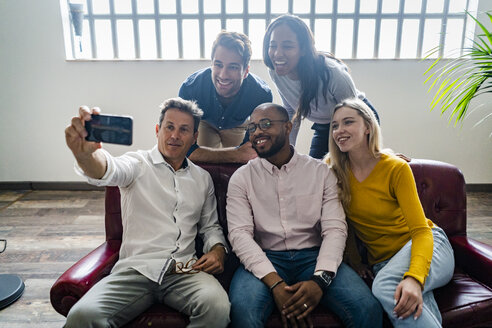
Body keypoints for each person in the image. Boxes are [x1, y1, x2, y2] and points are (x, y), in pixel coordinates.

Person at [63, 98, 230, 328]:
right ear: (157, 130)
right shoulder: (136, 163)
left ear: (194, 137)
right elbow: (108, 169)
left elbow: (211, 226)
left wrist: (218, 250)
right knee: (82, 316)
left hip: (184, 271)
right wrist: (86, 156)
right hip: (136, 270)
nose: (175, 135)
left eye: (184, 130)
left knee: (217, 307)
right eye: (169, 127)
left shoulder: (202, 178)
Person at [226, 103, 383, 328]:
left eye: (266, 124)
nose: (257, 132)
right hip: (265, 257)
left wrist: (320, 280)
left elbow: (335, 230)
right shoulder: (241, 178)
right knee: (243, 311)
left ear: (288, 127)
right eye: (252, 127)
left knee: (367, 308)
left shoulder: (320, 172)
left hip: (314, 257)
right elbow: (240, 235)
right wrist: (275, 284)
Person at [325, 98, 454, 327]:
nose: (339, 130)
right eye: (335, 125)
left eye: (348, 122)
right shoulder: (333, 172)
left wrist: (414, 278)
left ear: (367, 127)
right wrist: (355, 262)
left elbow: (421, 232)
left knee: (385, 286)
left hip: (428, 247)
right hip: (384, 263)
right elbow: (345, 225)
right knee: (415, 309)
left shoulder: (395, 168)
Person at [263, 14, 379, 160]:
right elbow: (292, 110)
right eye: (272, 46)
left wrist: (372, 151)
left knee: (349, 167)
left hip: (356, 119)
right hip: (325, 125)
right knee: (317, 171)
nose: (277, 53)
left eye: (287, 46)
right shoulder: (275, 72)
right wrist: (287, 149)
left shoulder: (332, 72)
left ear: (303, 49)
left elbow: (353, 114)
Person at [179, 30, 273, 163]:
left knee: (245, 164)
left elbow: (249, 151)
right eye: (218, 65)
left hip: (239, 125)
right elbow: (186, 149)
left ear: (245, 71)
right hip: (206, 122)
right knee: (197, 165)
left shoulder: (261, 95)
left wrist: (238, 155)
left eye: (233, 67)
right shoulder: (190, 89)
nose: (223, 75)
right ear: (211, 64)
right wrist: (234, 154)